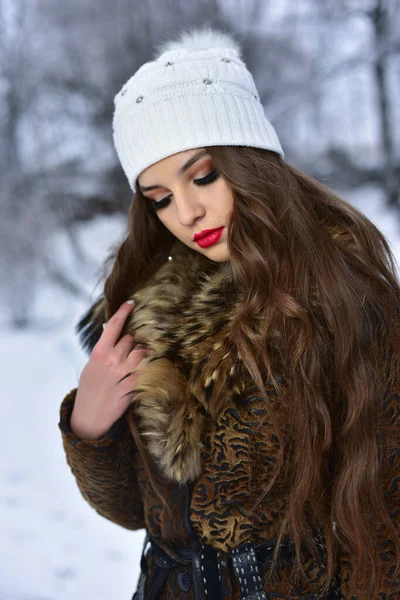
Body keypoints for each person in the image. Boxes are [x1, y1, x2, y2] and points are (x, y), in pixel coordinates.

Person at [58, 26, 400, 600]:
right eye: (160, 198)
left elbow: (387, 524)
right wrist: (90, 427)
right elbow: (139, 516)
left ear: (249, 161)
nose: (187, 212)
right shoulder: (153, 314)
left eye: (203, 175)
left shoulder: (345, 300)